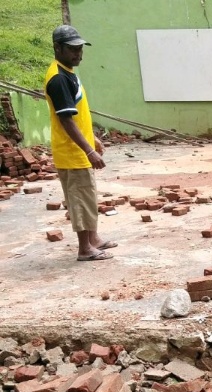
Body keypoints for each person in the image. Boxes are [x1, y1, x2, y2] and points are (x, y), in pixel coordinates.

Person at [44, 25, 117, 261]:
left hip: (78, 149)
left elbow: (78, 114)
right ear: (58, 48)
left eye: (80, 49)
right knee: (79, 198)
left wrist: (92, 138)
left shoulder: (68, 72)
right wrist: (88, 150)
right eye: (72, 49)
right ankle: (85, 249)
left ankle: (93, 238)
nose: (78, 54)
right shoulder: (58, 78)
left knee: (87, 196)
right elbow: (66, 120)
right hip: (72, 152)